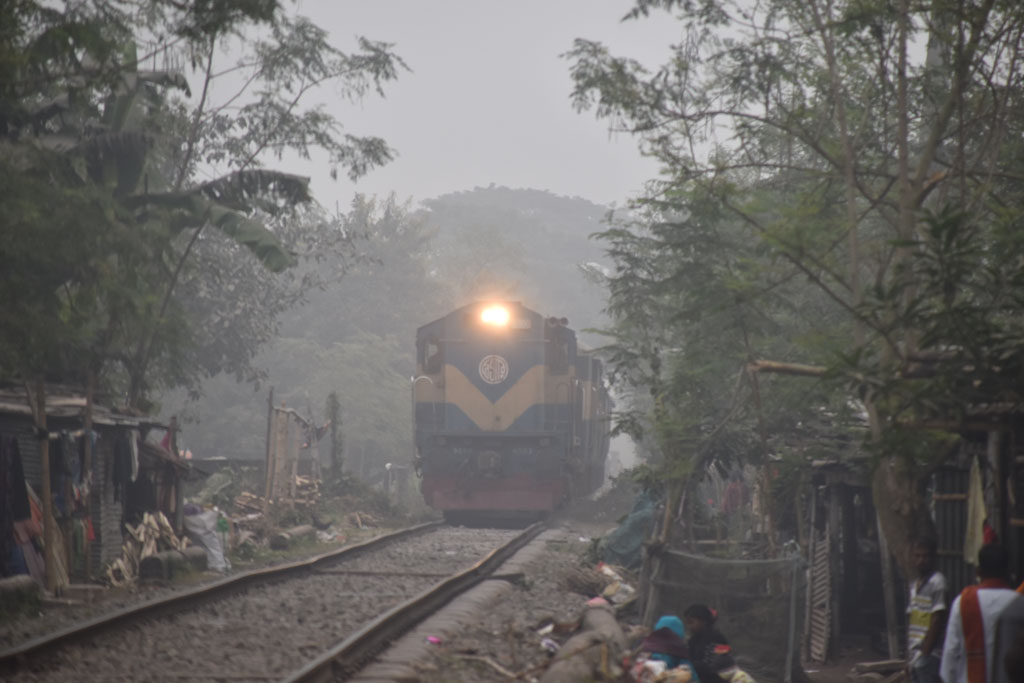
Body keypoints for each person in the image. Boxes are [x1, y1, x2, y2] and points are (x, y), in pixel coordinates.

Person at [940, 544, 1024, 683]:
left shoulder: (962, 603)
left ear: (978, 572)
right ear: (1009, 572)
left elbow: (950, 657)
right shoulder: (1019, 604)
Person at [907, 537, 948, 683]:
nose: (921, 560)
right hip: (915, 653)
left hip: (930, 655)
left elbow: (936, 620)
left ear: (933, 558)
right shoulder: (914, 585)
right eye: (917, 556)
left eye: (925, 556)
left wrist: (925, 654)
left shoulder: (937, 582)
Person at [683, 604, 755, 683]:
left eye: (691, 622)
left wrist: (690, 665)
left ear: (703, 621)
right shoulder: (692, 640)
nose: (689, 626)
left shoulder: (719, 639)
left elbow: (718, 665)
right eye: (687, 623)